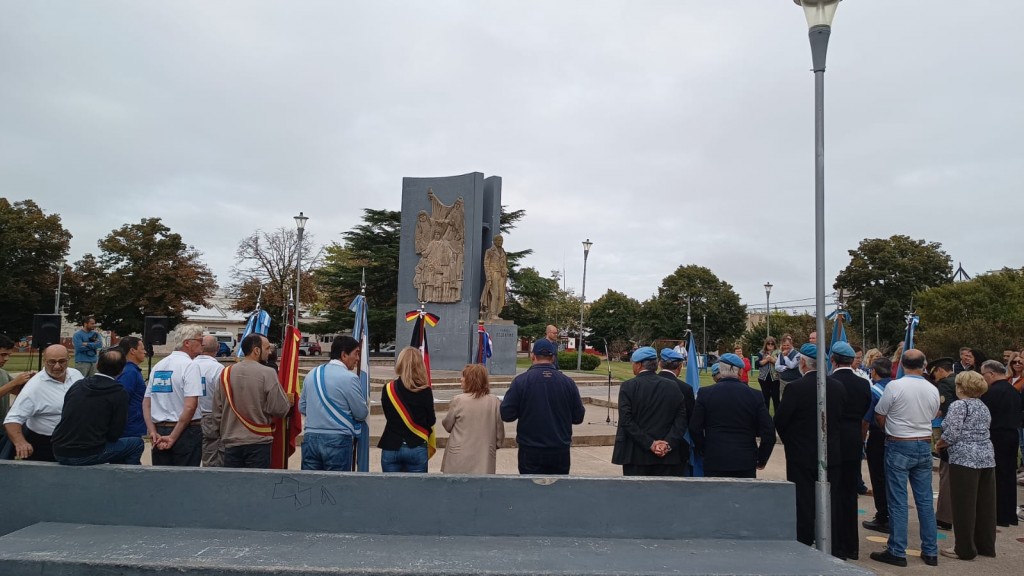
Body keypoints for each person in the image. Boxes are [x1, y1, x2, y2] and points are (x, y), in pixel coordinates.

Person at [869, 349, 940, 568]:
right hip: (922, 441)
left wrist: (890, 429)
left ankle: (897, 550)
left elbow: (880, 413)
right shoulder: (932, 388)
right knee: (925, 501)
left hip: (899, 442)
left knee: (898, 501)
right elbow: (935, 413)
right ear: (924, 365)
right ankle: (930, 550)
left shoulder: (895, 386)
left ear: (900, 365)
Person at [774, 344, 845, 558]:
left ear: (803, 363)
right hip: (830, 452)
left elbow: (781, 421)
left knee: (803, 503)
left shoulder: (795, 388)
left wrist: (791, 442)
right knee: (829, 502)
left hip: (801, 455)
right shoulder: (838, 387)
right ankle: (830, 546)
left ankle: (803, 546)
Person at [936, 370, 996, 560]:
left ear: (961, 386)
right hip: (986, 456)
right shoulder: (982, 406)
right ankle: (985, 545)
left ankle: (964, 548)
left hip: (964, 458)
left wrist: (939, 444)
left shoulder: (959, 405)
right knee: (985, 504)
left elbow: (952, 433)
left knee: (964, 505)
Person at [501, 339, 585, 474]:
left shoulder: (521, 381)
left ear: (533, 356)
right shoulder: (568, 383)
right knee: (557, 491)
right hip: (559, 449)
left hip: (530, 449)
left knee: (531, 491)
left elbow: (507, 414)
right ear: (553, 357)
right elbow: (578, 417)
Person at [51, 347, 144, 466]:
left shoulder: (78, 385)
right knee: (137, 444)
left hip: (59, 450)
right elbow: (115, 432)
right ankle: (128, 480)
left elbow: (66, 413)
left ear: (97, 365)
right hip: (88, 453)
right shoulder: (118, 392)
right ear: (121, 370)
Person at [211, 334, 292, 469]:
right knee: (257, 486)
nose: (269, 352)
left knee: (233, 486)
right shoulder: (268, 373)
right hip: (258, 442)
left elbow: (217, 411)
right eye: (267, 348)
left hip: (231, 442)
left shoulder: (225, 373)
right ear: (256, 351)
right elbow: (280, 409)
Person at [690, 353, 775, 479]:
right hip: (745, 460)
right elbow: (768, 432)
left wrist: (704, 449)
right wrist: (762, 458)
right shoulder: (754, 395)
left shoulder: (705, 393)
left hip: (715, 457)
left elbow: (695, 428)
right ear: (740, 372)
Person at [612, 347, 688, 477]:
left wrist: (650, 444)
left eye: (633, 364)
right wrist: (667, 443)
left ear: (639, 364)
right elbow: (681, 419)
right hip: (666, 456)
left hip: (636, 455)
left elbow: (626, 420)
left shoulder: (629, 386)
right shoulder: (673, 386)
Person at [828, 341, 872, 560]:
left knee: (833, 492)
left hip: (834, 439)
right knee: (849, 493)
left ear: (833, 359)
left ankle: (836, 545)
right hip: (854, 439)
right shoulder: (864, 384)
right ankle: (851, 546)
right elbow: (865, 410)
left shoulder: (828, 382)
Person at [300, 335, 369, 471]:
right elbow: (361, 413)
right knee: (336, 488)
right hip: (338, 440)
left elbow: (302, 407)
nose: (358, 358)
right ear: (344, 355)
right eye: (356, 353)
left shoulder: (311, 374)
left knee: (309, 487)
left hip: (310, 439)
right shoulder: (350, 378)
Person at [3, 344, 83, 461]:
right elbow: (12, 419)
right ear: (44, 361)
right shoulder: (33, 388)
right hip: (45, 444)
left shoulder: (76, 375)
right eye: (52, 362)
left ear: (68, 359)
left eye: (62, 361)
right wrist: (20, 442)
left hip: (74, 440)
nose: (57, 366)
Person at [144, 324, 204, 467]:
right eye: (200, 340)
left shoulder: (159, 366)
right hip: (185, 431)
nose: (203, 344)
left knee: (163, 481)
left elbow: (146, 403)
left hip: (159, 430)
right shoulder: (191, 366)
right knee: (186, 481)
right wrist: (173, 437)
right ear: (187, 343)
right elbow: (190, 406)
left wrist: (152, 431)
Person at [379, 347, 436, 473]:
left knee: (391, 491)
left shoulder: (388, 389)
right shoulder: (425, 391)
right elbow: (431, 420)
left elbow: (389, 416)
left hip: (391, 444)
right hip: (416, 446)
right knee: (415, 491)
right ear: (419, 365)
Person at [978, 360, 1021, 527]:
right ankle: (1009, 514)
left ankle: (998, 514)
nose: (983, 378)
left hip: (996, 436)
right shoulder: (1014, 391)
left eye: (983, 375)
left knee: (995, 477)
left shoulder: (991, 392)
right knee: (1009, 475)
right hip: (1012, 435)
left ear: (991, 374)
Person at [441, 364, 504, 474]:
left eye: (464, 377)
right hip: (484, 457)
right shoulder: (494, 401)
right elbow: (499, 432)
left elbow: (447, 425)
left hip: (459, 457)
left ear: (471, 380)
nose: (461, 379)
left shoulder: (458, 400)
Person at [862, 358, 893, 533]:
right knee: (893, 478)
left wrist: (861, 440)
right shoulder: (897, 386)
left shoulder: (874, 391)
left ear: (874, 371)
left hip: (879, 435)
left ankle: (883, 517)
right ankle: (893, 514)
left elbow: (866, 420)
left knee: (879, 477)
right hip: (898, 435)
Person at [928, 357, 957, 530]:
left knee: (946, 478)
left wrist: (941, 442)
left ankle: (944, 518)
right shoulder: (958, 379)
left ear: (940, 370)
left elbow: (948, 412)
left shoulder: (945, 384)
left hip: (951, 436)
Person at [657, 348, 695, 468]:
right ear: (680, 366)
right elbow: (691, 418)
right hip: (676, 446)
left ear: (660, 364)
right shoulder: (685, 388)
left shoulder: (646, 384)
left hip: (648, 444)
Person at [193, 335, 226, 467]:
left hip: (190, 417)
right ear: (217, 348)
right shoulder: (218, 369)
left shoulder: (189, 365)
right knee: (211, 459)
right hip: (211, 417)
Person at [114, 336, 148, 441]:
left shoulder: (130, 370)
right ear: (133, 351)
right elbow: (121, 399)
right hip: (129, 428)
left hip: (132, 426)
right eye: (142, 349)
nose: (145, 352)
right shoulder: (130, 372)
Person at [0, 334, 35, 421]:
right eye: (3, 354)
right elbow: (12, 384)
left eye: (9, 355)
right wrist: (15, 382)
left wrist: (29, 381)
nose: (6, 358)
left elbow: (15, 391)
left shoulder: (3, 373)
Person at [480, 234, 508, 321]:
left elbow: (504, 264)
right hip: (493, 274)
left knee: (500, 295)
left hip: (501, 275)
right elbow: (486, 264)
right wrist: (488, 277)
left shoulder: (503, 251)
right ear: (494, 241)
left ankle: (497, 313)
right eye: (499, 241)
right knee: (494, 295)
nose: (500, 242)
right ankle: (492, 314)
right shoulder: (489, 251)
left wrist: (505, 269)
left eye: (501, 241)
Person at [757, 336, 780, 413]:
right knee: (765, 399)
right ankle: (765, 418)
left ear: (774, 344)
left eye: (772, 344)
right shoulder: (761, 353)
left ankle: (777, 418)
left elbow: (781, 364)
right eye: (768, 344)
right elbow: (758, 364)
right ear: (765, 344)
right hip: (764, 378)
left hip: (776, 378)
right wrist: (767, 359)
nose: (770, 345)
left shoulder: (778, 352)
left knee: (776, 398)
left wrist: (772, 360)